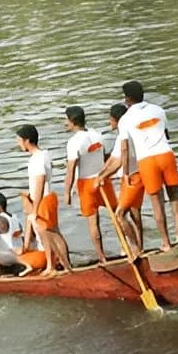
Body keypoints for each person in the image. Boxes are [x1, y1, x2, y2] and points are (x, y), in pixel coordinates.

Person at [116, 80, 178, 251]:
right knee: (174, 196)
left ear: (127, 99)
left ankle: (166, 242)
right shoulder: (158, 110)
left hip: (147, 161)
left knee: (157, 202)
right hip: (166, 154)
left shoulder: (124, 119)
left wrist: (125, 173)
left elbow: (124, 149)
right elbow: (166, 134)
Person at [15, 124, 70, 275]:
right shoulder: (44, 154)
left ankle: (59, 266)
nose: (18, 143)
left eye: (19, 140)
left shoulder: (37, 159)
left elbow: (40, 181)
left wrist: (34, 209)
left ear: (27, 140)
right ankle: (57, 265)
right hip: (47, 197)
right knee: (50, 234)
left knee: (49, 234)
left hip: (43, 199)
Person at [96, 102, 145, 255]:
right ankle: (139, 246)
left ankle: (134, 248)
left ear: (116, 120)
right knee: (134, 212)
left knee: (120, 214)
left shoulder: (124, 137)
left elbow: (117, 163)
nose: (109, 122)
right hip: (133, 176)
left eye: (110, 119)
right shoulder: (122, 137)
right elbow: (112, 159)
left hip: (132, 177)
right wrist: (101, 173)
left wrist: (103, 176)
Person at [62, 105, 110, 263]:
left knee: (93, 221)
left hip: (86, 183)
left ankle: (102, 257)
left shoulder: (73, 142)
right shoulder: (97, 134)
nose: (65, 123)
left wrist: (67, 193)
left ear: (72, 121)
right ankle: (133, 246)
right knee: (119, 214)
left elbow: (71, 170)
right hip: (103, 179)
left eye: (66, 120)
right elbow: (105, 157)